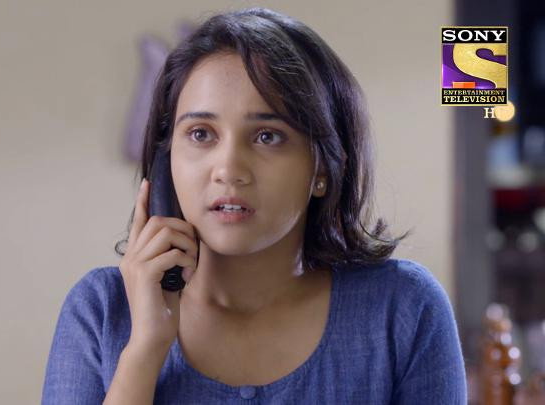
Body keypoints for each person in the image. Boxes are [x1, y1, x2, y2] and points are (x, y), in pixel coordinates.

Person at [42, 7, 467, 404]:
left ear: (323, 167)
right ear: (165, 162)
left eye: (267, 137)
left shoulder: (405, 309)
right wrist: (146, 348)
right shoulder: (101, 311)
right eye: (201, 134)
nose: (228, 169)